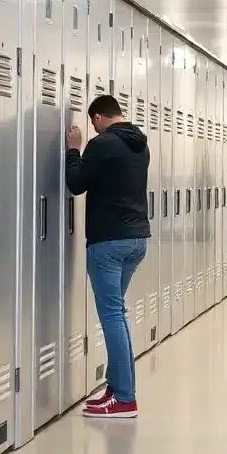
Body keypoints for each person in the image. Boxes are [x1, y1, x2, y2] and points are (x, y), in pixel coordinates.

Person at [66, 94, 151, 419]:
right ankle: (116, 389)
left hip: (109, 242)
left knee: (112, 316)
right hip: (137, 240)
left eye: (93, 123)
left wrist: (73, 150)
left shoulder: (102, 144)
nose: (93, 128)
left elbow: (77, 184)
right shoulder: (140, 144)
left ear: (99, 117)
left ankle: (125, 398)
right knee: (118, 314)